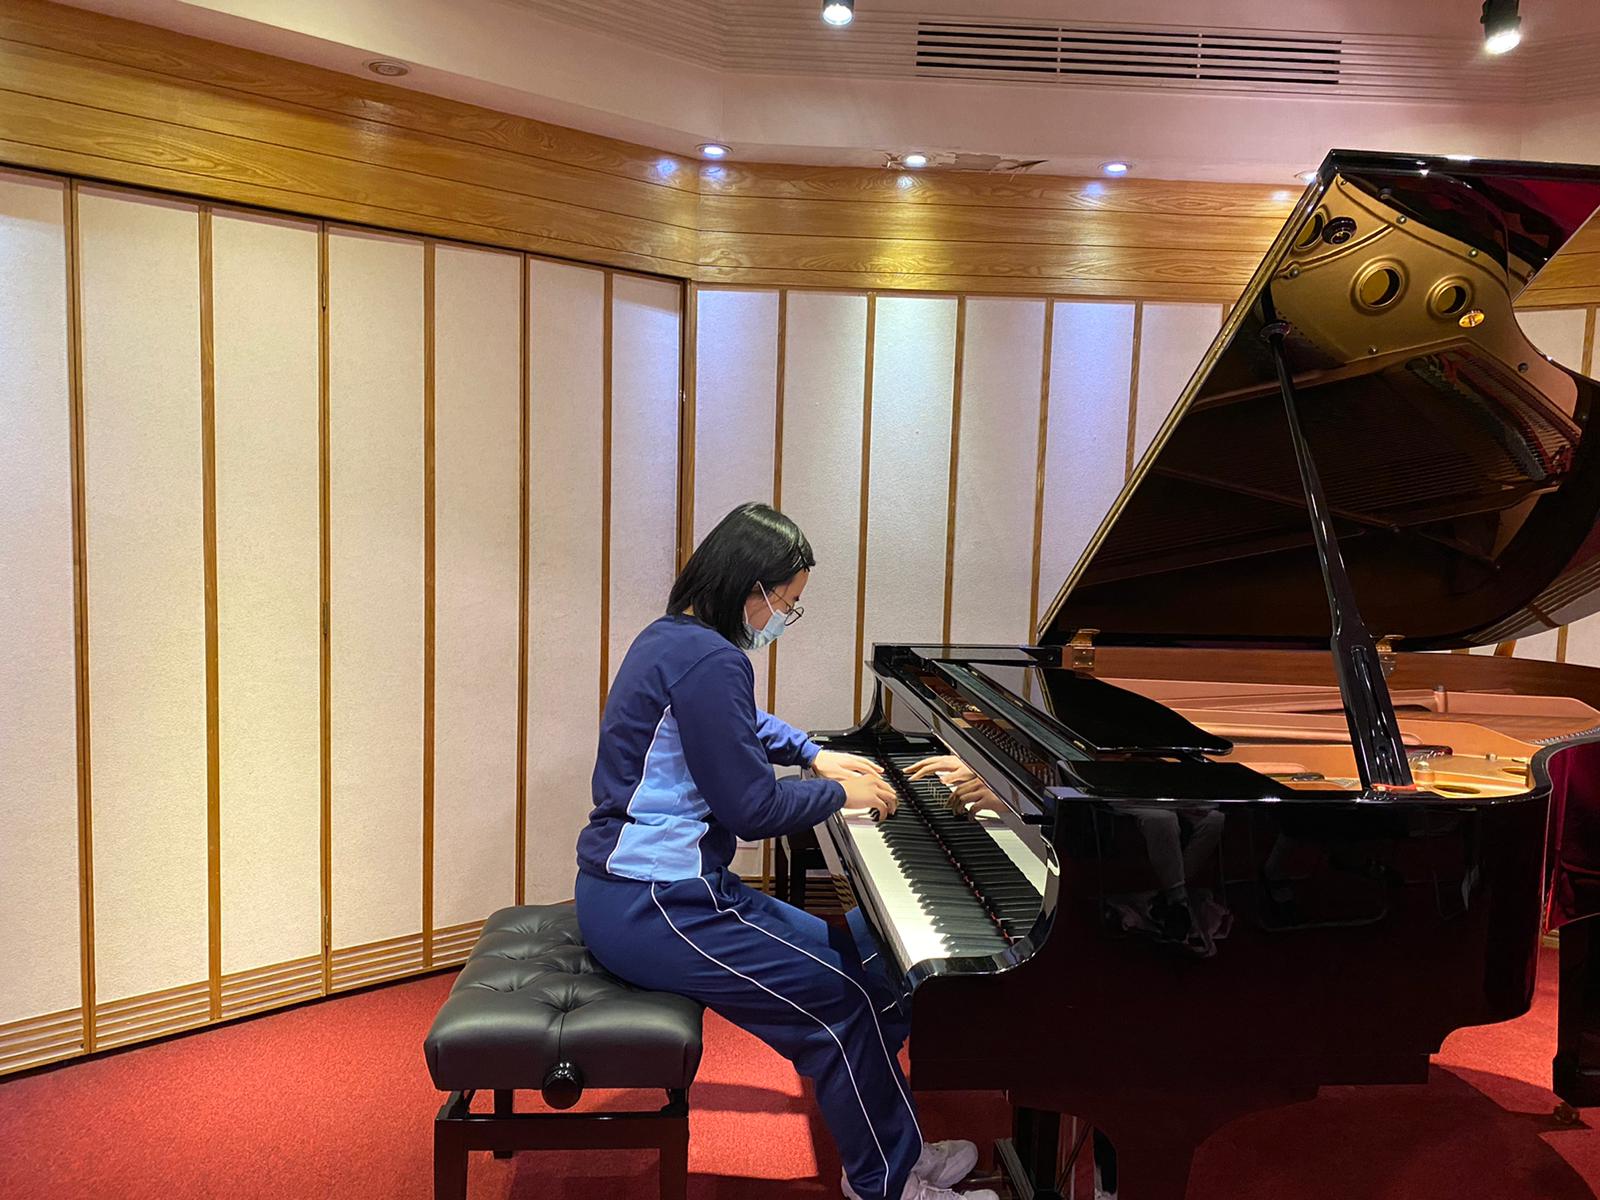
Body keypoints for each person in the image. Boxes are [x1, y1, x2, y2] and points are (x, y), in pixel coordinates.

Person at [575, 502, 998, 1200]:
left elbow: (739, 723)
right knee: (841, 1003)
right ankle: (885, 1184)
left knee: (867, 962)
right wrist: (840, 794)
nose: (784, 618)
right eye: (787, 603)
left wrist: (812, 752)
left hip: (655, 889)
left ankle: (897, 1148)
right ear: (753, 588)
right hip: (657, 903)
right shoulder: (711, 659)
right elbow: (752, 810)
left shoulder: (674, 637)